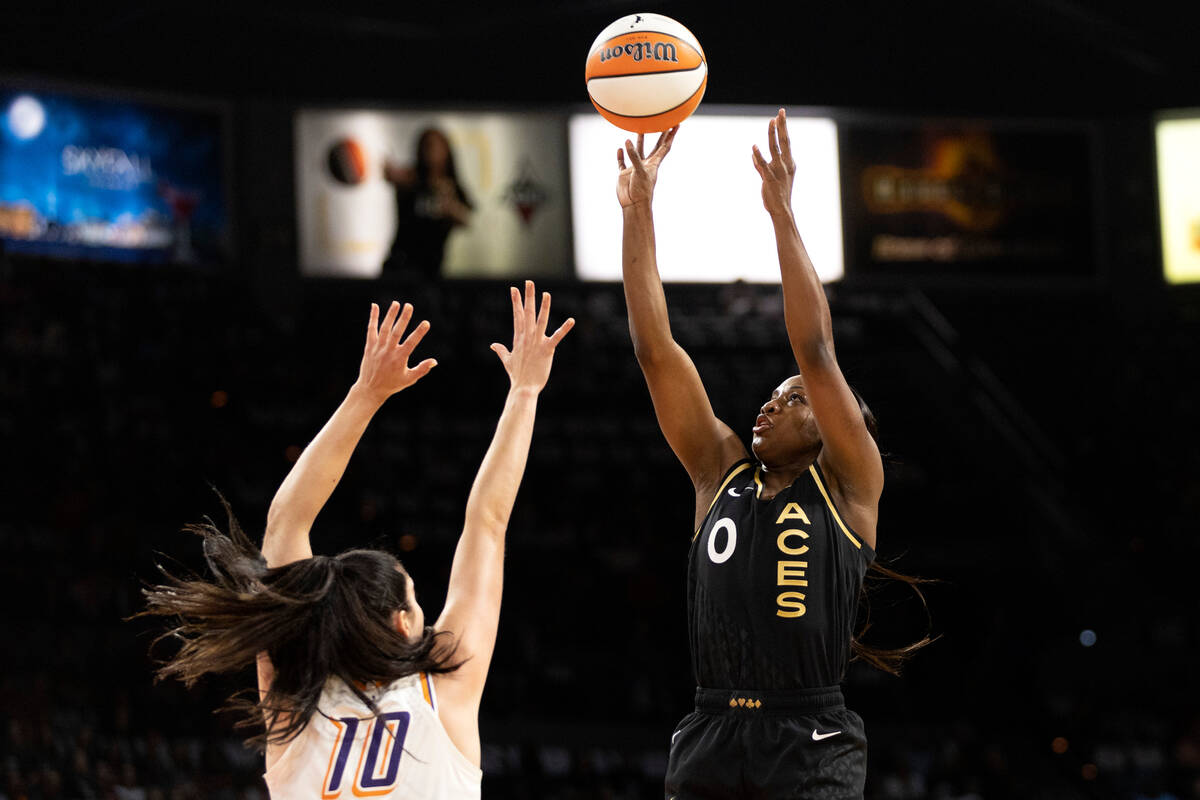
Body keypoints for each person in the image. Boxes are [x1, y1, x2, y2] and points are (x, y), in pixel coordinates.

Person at [139, 282, 573, 799]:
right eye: (416, 602)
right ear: (400, 623)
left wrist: (366, 392)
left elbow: (285, 524)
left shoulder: (295, 699)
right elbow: (487, 521)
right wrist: (525, 392)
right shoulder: (443, 693)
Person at [615, 111, 930, 799]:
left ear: (832, 429)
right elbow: (654, 349)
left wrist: (783, 216)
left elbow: (814, 351)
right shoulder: (717, 469)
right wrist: (639, 213)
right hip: (710, 726)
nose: (771, 403)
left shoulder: (849, 485)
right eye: (772, 395)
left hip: (809, 735)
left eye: (794, 401)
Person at [383, 128, 473, 278]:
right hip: (401, 264)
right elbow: (396, 177)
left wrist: (448, 204)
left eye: (437, 146)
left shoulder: (450, 186)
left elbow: (465, 219)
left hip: (433, 269)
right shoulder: (411, 179)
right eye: (427, 146)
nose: (431, 152)